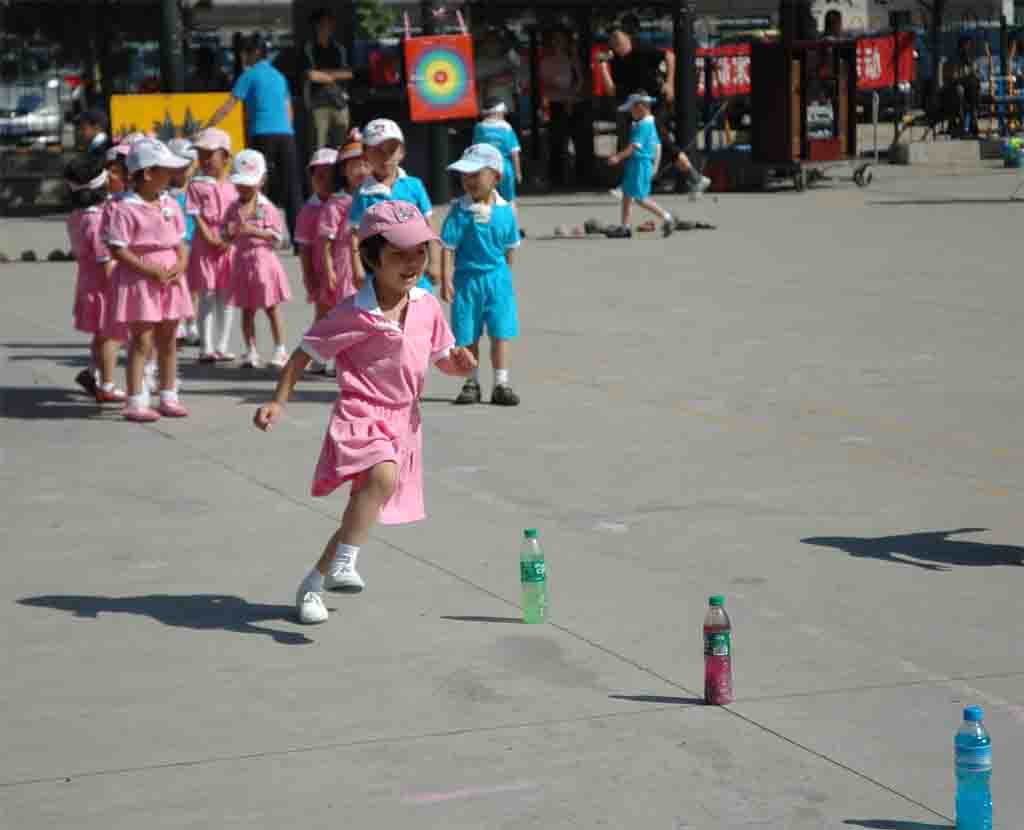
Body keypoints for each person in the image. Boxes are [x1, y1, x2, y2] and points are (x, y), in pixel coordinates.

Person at [252, 201, 477, 624]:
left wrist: (458, 366)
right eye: (399, 254)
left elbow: (442, 356)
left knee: (364, 509)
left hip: (404, 420)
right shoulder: (352, 313)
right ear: (372, 258)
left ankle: (314, 583)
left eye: (419, 253)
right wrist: (278, 401)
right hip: (360, 413)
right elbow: (303, 355)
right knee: (382, 476)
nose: (412, 263)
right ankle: (344, 563)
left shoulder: (427, 305)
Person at [103, 139, 192, 422]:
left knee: (169, 339)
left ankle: (168, 395)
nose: (171, 174)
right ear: (148, 173)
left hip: (170, 278)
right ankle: (136, 399)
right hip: (140, 281)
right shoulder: (124, 207)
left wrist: (181, 263)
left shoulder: (170, 203)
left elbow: (181, 241)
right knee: (142, 341)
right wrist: (148, 270)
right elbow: (118, 248)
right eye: (165, 169)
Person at [441, 144, 522, 407]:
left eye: (476, 174)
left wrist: (506, 278)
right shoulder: (459, 211)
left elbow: (510, 248)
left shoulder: (506, 211)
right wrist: (445, 278)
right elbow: (448, 246)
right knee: (467, 335)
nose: (469, 181)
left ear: (496, 177)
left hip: (497, 280)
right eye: (465, 176)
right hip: (466, 282)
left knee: (501, 333)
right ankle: (471, 382)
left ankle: (501, 383)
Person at [204, 33, 302, 242]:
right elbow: (288, 109)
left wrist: (208, 126)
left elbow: (229, 106)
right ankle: (299, 239)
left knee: (257, 183)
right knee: (292, 187)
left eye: (245, 52)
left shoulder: (249, 75)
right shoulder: (279, 76)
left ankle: (258, 229)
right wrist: (287, 130)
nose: (243, 57)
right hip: (286, 134)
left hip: (262, 133)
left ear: (254, 53)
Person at [599, 28, 709, 199]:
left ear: (628, 39)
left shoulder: (642, 48)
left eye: (620, 42)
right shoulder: (616, 62)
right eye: (614, 44)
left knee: (645, 138)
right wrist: (602, 68)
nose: (618, 47)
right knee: (658, 141)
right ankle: (695, 177)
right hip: (637, 105)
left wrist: (670, 82)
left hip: (656, 100)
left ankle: (630, 185)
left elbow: (669, 56)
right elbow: (612, 90)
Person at [349, 118, 440, 292]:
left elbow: (430, 223)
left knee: (421, 310)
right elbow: (355, 235)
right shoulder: (362, 194)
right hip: (380, 271)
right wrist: (357, 268)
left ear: (402, 152)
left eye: (391, 150)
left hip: (415, 267)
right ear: (365, 155)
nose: (385, 157)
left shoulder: (414, 185)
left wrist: (434, 262)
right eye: (377, 151)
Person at [65, 154, 128, 403]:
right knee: (113, 335)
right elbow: (106, 260)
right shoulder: (97, 220)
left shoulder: (77, 216)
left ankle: (93, 374)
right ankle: (107, 384)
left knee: (102, 335)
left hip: (88, 283)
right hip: (105, 286)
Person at [223, 149, 292, 370]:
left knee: (271, 307)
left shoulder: (267, 207)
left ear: (261, 181)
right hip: (242, 262)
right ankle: (250, 350)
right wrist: (230, 232)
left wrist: (253, 231)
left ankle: (280, 349)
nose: (243, 188)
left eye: (248, 183)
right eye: (239, 183)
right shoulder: (232, 208)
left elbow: (279, 238)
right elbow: (225, 233)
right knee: (247, 309)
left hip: (264, 262)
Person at [186, 128, 238, 363]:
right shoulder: (196, 184)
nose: (206, 160)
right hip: (205, 242)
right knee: (206, 294)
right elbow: (195, 214)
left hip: (230, 242)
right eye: (202, 154)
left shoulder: (236, 184)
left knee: (227, 295)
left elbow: (241, 214)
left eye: (211, 154)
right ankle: (206, 346)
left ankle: (223, 344)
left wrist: (229, 238)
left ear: (226, 157)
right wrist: (209, 236)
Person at [607, 92, 674, 237]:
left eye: (632, 109)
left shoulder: (644, 125)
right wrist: (655, 167)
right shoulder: (648, 122)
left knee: (640, 198)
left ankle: (667, 217)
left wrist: (618, 157)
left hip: (640, 164)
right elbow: (657, 145)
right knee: (627, 195)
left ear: (641, 107)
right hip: (639, 164)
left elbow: (634, 147)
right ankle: (625, 228)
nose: (630, 113)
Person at [295, 146, 337, 373]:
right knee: (323, 319)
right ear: (311, 178)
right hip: (322, 275)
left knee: (346, 319)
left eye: (332, 176)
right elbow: (304, 249)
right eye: (320, 176)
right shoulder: (308, 211)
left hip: (346, 273)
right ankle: (315, 358)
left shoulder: (346, 202)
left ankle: (340, 361)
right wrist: (308, 277)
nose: (326, 182)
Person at [304, 8, 354, 149]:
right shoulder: (309, 47)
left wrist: (324, 74)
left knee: (341, 147)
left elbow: (348, 74)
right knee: (319, 149)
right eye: (324, 23)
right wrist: (335, 75)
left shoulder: (339, 48)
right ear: (316, 26)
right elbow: (311, 75)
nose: (328, 27)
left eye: (330, 23)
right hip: (318, 104)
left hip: (340, 103)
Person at [540, 29, 584, 188]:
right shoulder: (547, 61)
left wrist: (572, 94)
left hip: (573, 102)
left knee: (577, 140)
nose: (559, 43)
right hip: (556, 103)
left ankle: (579, 176)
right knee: (557, 141)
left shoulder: (573, 59)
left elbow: (580, 80)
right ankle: (556, 178)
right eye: (555, 39)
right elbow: (548, 81)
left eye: (562, 39)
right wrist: (562, 90)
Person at [167, 138, 200, 347]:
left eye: (187, 165)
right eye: (178, 166)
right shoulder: (164, 193)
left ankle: (192, 324)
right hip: (174, 244)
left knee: (193, 285)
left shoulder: (196, 189)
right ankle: (177, 324)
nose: (183, 170)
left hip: (195, 241)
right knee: (177, 283)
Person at [472, 98, 522, 209]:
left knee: (487, 200)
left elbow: (475, 150)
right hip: (505, 169)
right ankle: (511, 225)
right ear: (498, 112)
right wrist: (518, 172)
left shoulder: (479, 128)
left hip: (486, 169)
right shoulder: (507, 128)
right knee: (509, 201)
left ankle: (489, 223)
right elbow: (514, 153)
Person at [475, 28, 522, 133]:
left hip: (507, 109)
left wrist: (492, 80)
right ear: (484, 44)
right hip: (486, 111)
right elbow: (475, 83)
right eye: (489, 42)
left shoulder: (507, 60)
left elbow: (515, 77)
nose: (493, 46)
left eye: (495, 42)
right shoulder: (477, 63)